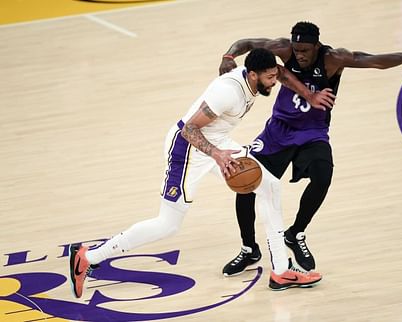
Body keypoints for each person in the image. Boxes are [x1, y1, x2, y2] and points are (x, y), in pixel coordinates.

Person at [68, 48, 339, 298]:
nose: (273, 82)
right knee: (168, 224)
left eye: (274, 76)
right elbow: (189, 129)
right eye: (269, 78)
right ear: (253, 75)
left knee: (269, 186)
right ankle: (88, 257)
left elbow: (281, 72)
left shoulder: (261, 73)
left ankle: (281, 271)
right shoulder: (229, 92)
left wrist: (308, 94)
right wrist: (217, 155)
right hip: (187, 149)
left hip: (218, 142)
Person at [219, 21, 402, 276]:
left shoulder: (333, 59)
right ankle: (248, 248)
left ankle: (295, 233)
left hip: (313, 132)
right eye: (296, 49)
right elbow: (248, 43)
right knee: (245, 181)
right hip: (279, 129)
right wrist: (229, 55)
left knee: (323, 177)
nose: (300, 54)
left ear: (317, 46)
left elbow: (375, 60)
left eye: (305, 50)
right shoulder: (284, 49)